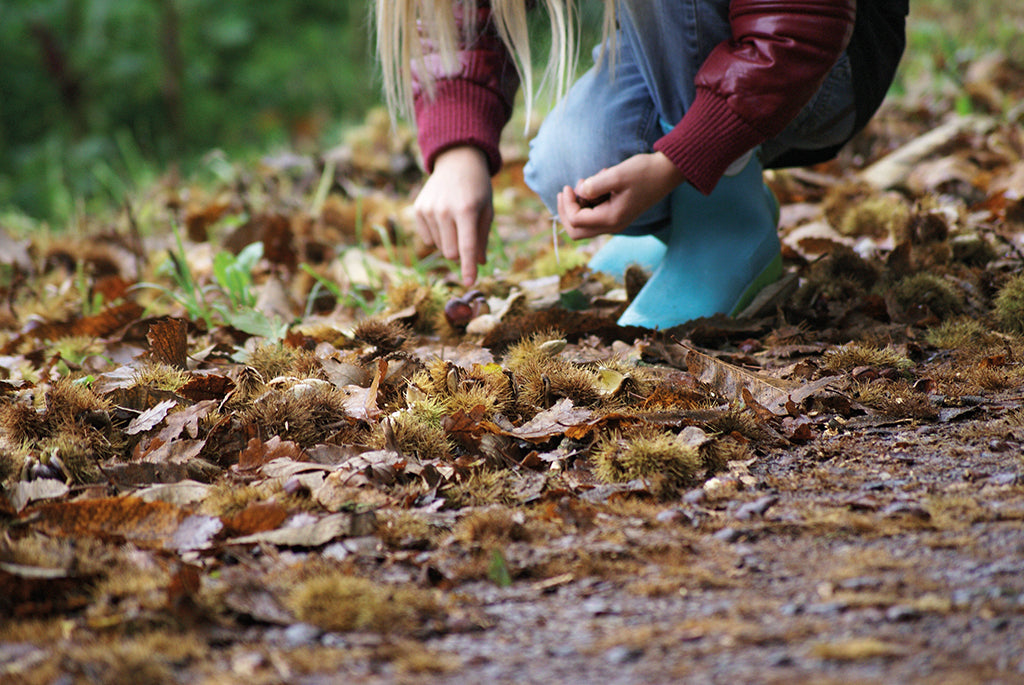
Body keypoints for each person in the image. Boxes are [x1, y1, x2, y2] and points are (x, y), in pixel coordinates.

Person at [374, 0, 908, 329]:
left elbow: (797, 26)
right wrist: (457, 151)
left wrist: (682, 160)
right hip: (707, 44)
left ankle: (724, 223)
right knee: (570, 166)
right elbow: (460, 15)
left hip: (824, 58)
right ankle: (687, 211)